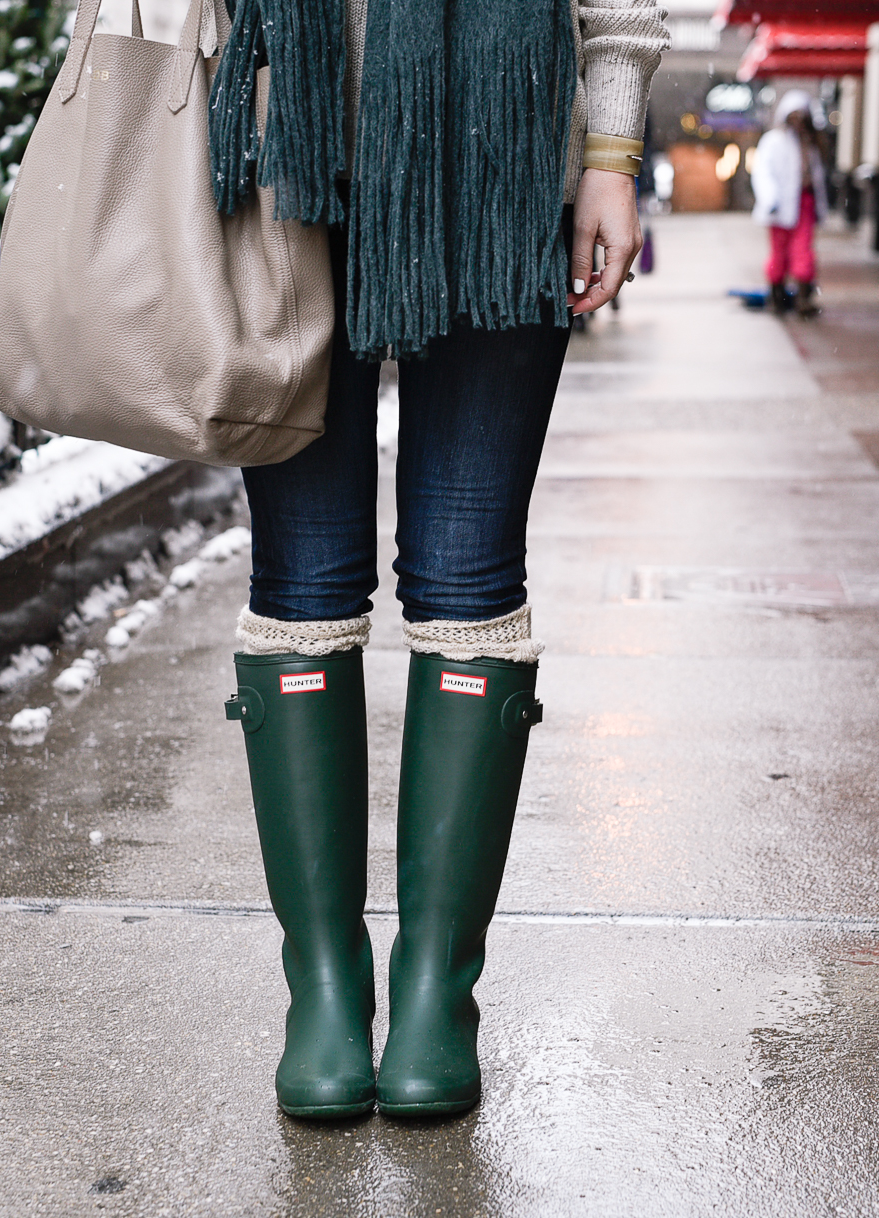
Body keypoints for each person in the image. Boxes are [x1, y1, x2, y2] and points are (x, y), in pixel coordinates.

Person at [215, 0, 669, 1119]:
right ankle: (323, 985)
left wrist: (611, 154)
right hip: (294, 161)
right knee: (304, 580)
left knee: (467, 577)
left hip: (504, 158)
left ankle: (434, 993)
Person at [751, 88, 828, 318]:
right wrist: (770, 197)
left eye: (801, 117)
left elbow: (817, 176)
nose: (797, 122)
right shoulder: (774, 141)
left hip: (804, 204)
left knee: (803, 251)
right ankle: (777, 295)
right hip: (779, 206)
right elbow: (762, 172)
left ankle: (803, 297)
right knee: (779, 252)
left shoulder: (810, 143)